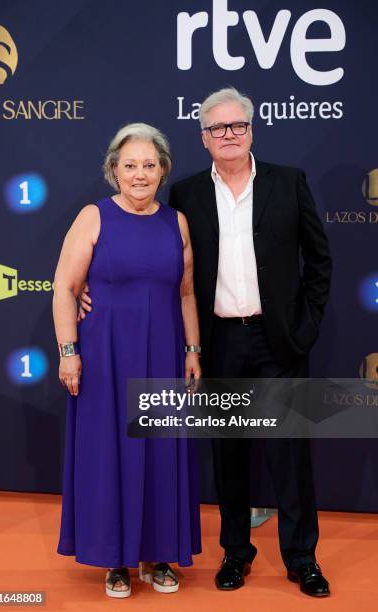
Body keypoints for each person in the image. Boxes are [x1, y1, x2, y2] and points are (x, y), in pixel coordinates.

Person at [80, 88, 332, 598]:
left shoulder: (290, 182)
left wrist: (303, 328)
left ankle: (302, 559)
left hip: (279, 341)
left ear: (251, 130)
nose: (229, 135)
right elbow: (162, 263)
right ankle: (236, 555)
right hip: (220, 343)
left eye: (237, 126)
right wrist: (92, 285)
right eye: (218, 129)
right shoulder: (188, 194)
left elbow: (319, 261)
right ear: (204, 139)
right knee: (230, 458)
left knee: (289, 455)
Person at [53, 122, 201, 599]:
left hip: (162, 356)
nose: (140, 174)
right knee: (109, 456)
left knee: (160, 455)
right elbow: (65, 289)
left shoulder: (175, 222)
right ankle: (116, 561)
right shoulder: (93, 217)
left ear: (163, 171)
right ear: (114, 170)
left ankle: (158, 556)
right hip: (105, 359)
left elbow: (186, 292)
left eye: (149, 165)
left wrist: (193, 350)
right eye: (130, 165)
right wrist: (69, 353)